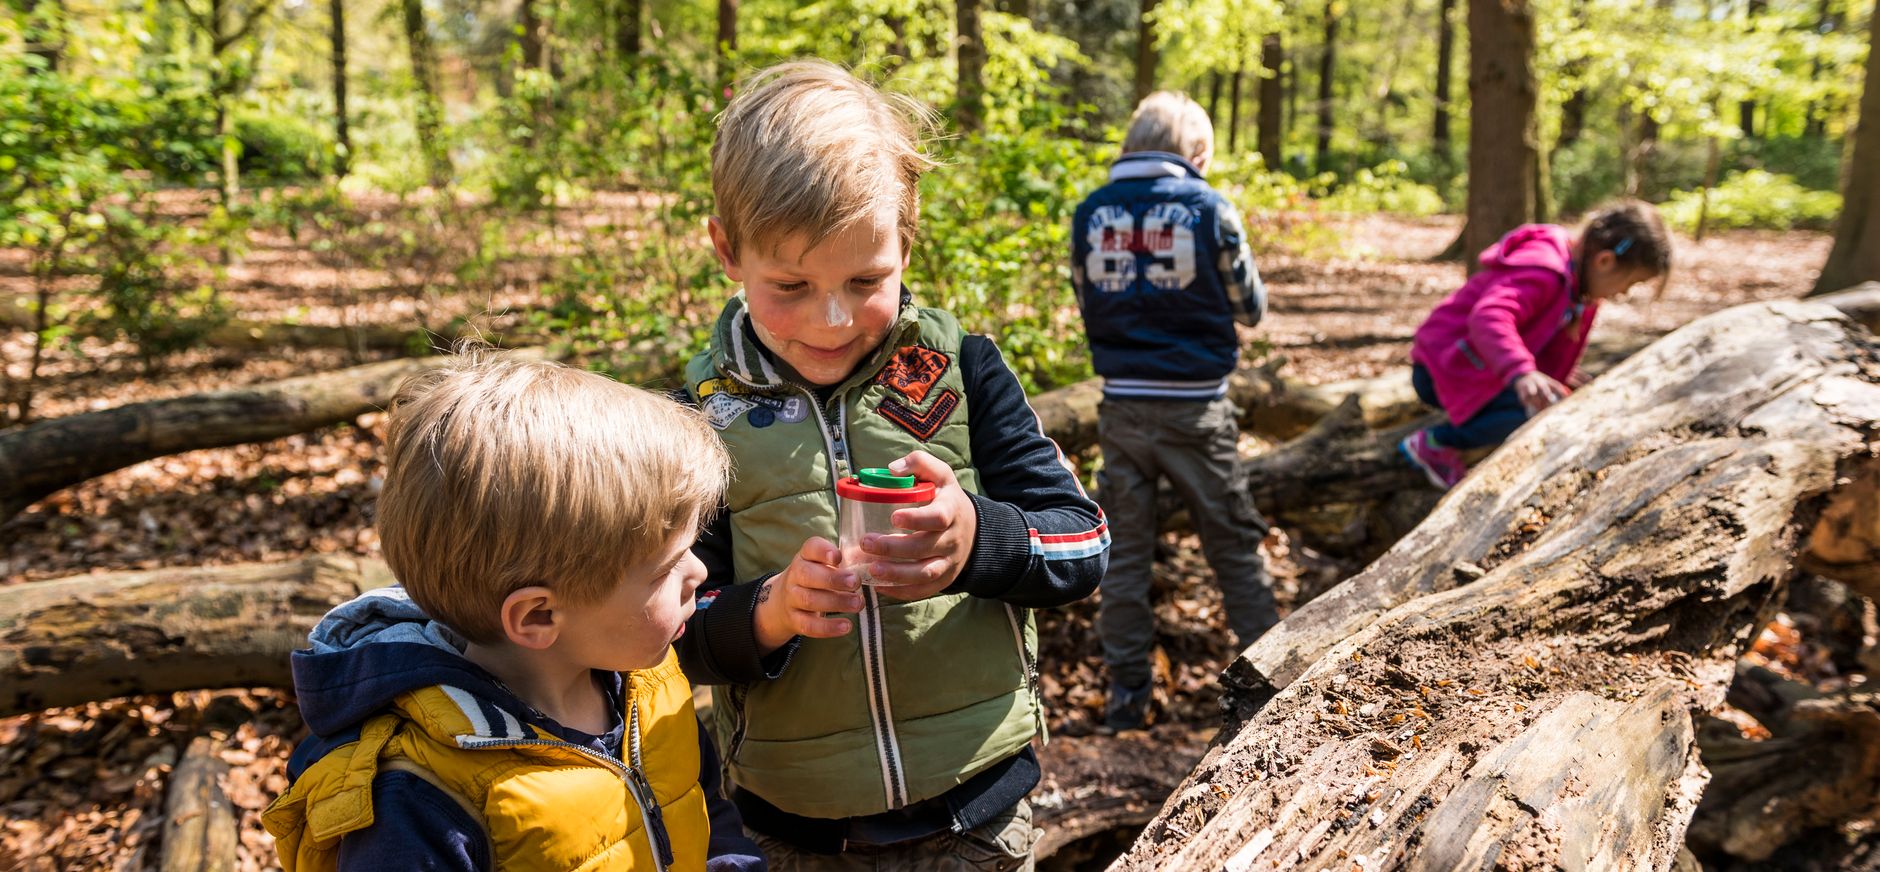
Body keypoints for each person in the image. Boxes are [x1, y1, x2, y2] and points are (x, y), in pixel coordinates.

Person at [674, 59, 1110, 871]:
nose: (832, 319)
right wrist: (766, 613)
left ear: (906, 242)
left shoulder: (961, 372)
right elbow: (665, 627)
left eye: (865, 279)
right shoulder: (697, 417)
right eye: (791, 285)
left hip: (976, 814)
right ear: (727, 249)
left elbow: (1083, 543)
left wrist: (977, 539)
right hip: (792, 830)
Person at [263, 351, 763, 872]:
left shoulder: (649, 684)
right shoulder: (421, 799)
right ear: (537, 617)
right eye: (665, 569)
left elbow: (705, 813)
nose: (698, 573)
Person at [1069, 90, 1279, 733]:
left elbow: (1086, 298)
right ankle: (1274, 687)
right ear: (1197, 152)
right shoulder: (1209, 208)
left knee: (1124, 554)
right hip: (1196, 409)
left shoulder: (1090, 212)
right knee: (1233, 545)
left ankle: (1127, 695)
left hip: (1123, 407)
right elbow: (1250, 307)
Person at [1400, 201, 1672, 488]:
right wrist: (1522, 372)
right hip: (1444, 365)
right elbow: (1490, 317)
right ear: (1604, 261)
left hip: (1475, 366)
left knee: (1556, 404)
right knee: (1531, 415)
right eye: (1630, 283)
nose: (1624, 293)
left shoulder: (1579, 290)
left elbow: (1547, 339)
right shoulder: (1545, 271)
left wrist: (1557, 377)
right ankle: (1435, 441)